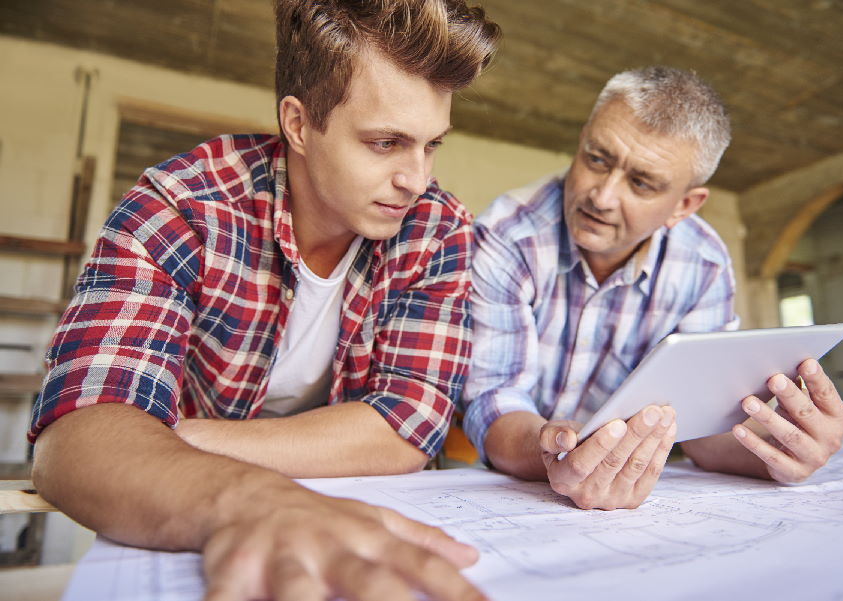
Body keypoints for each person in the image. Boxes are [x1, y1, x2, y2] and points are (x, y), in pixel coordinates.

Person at [30, 1, 500, 598]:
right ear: (299, 124)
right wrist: (251, 496)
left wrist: (159, 438)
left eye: (432, 145)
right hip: (205, 512)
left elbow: (405, 431)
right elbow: (78, 438)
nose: (417, 179)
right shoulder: (179, 207)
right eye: (386, 143)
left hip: (349, 512)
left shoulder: (438, 228)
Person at [462, 66, 843, 511]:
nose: (602, 197)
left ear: (684, 206)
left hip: (639, 486)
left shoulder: (703, 263)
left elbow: (703, 430)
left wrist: (778, 455)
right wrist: (553, 452)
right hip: (517, 489)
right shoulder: (507, 231)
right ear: (583, 137)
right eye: (596, 158)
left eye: (641, 183)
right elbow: (493, 400)